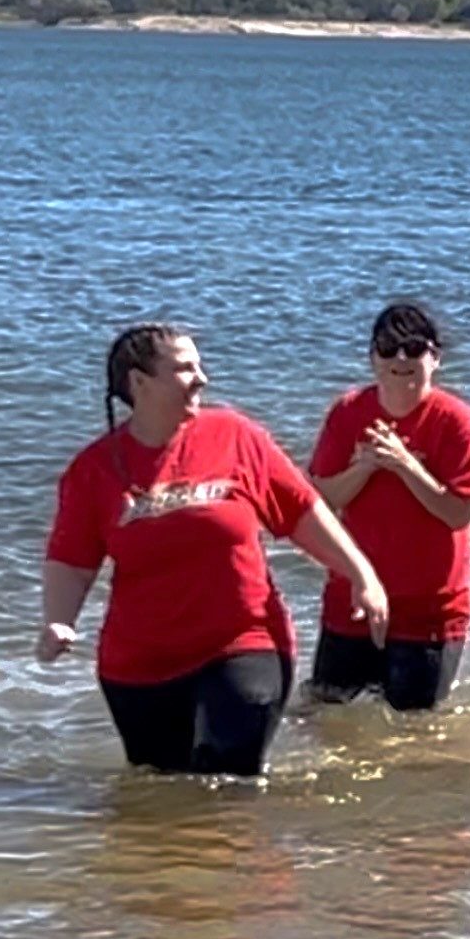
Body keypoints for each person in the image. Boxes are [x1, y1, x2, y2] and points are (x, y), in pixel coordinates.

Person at [38, 324, 389, 776]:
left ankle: (240, 845)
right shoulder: (94, 470)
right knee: (163, 795)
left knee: (231, 776)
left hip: (245, 641)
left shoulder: (235, 436)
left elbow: (302, 512)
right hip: (140, 664)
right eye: (184, 369)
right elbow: (72, 559)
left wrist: (362, 575)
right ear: (139, 383)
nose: (202, 378)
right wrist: (58, 621)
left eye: (200, 365)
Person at [307, 302, 470, 712]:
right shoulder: (348, 412)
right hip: (352, 600)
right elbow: (324, 498)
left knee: (415, 734)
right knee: (326, 715)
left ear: (435, 358)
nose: (401, 360)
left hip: (430, 611)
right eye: (388, 349)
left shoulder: (456, 421)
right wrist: (366, 466)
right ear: (373, 358)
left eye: (413, 349)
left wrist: (407, 465)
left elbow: (458, 513)